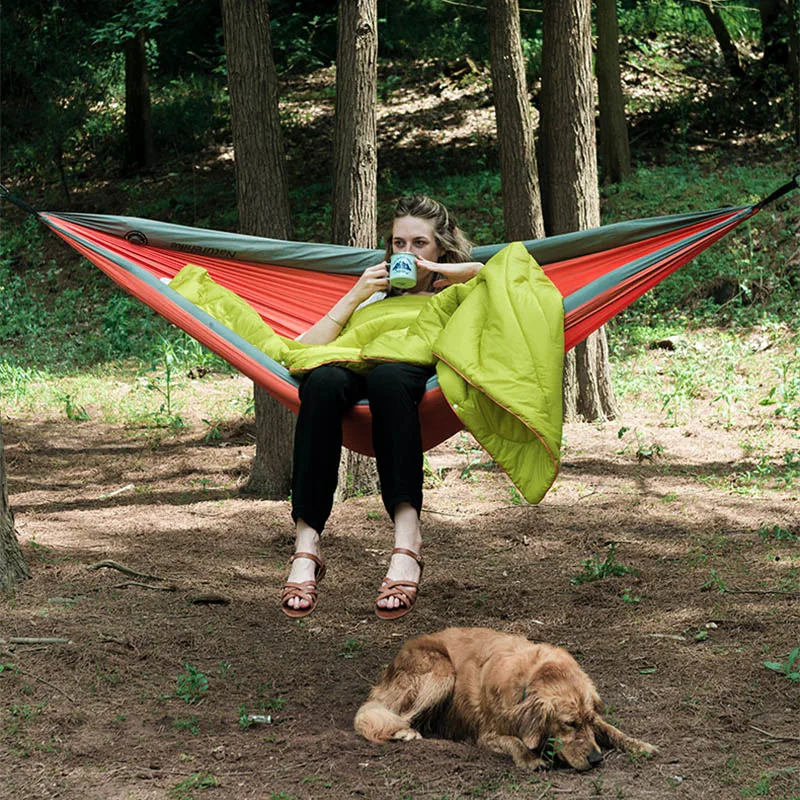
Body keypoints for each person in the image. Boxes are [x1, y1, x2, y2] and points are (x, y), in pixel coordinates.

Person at [281, 195, 483, 620]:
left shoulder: (458, 293)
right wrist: (355, 294)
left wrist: (440, 273)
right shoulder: (372, 296)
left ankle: (408, 542)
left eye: (419, 244)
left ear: (440, 248)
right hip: (353, 360)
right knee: (320, 381)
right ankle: (306, 546)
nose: (405, 254)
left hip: (407, 370)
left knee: (390, 380)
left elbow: (502, 278)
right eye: (398, 244)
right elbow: (299, 352)